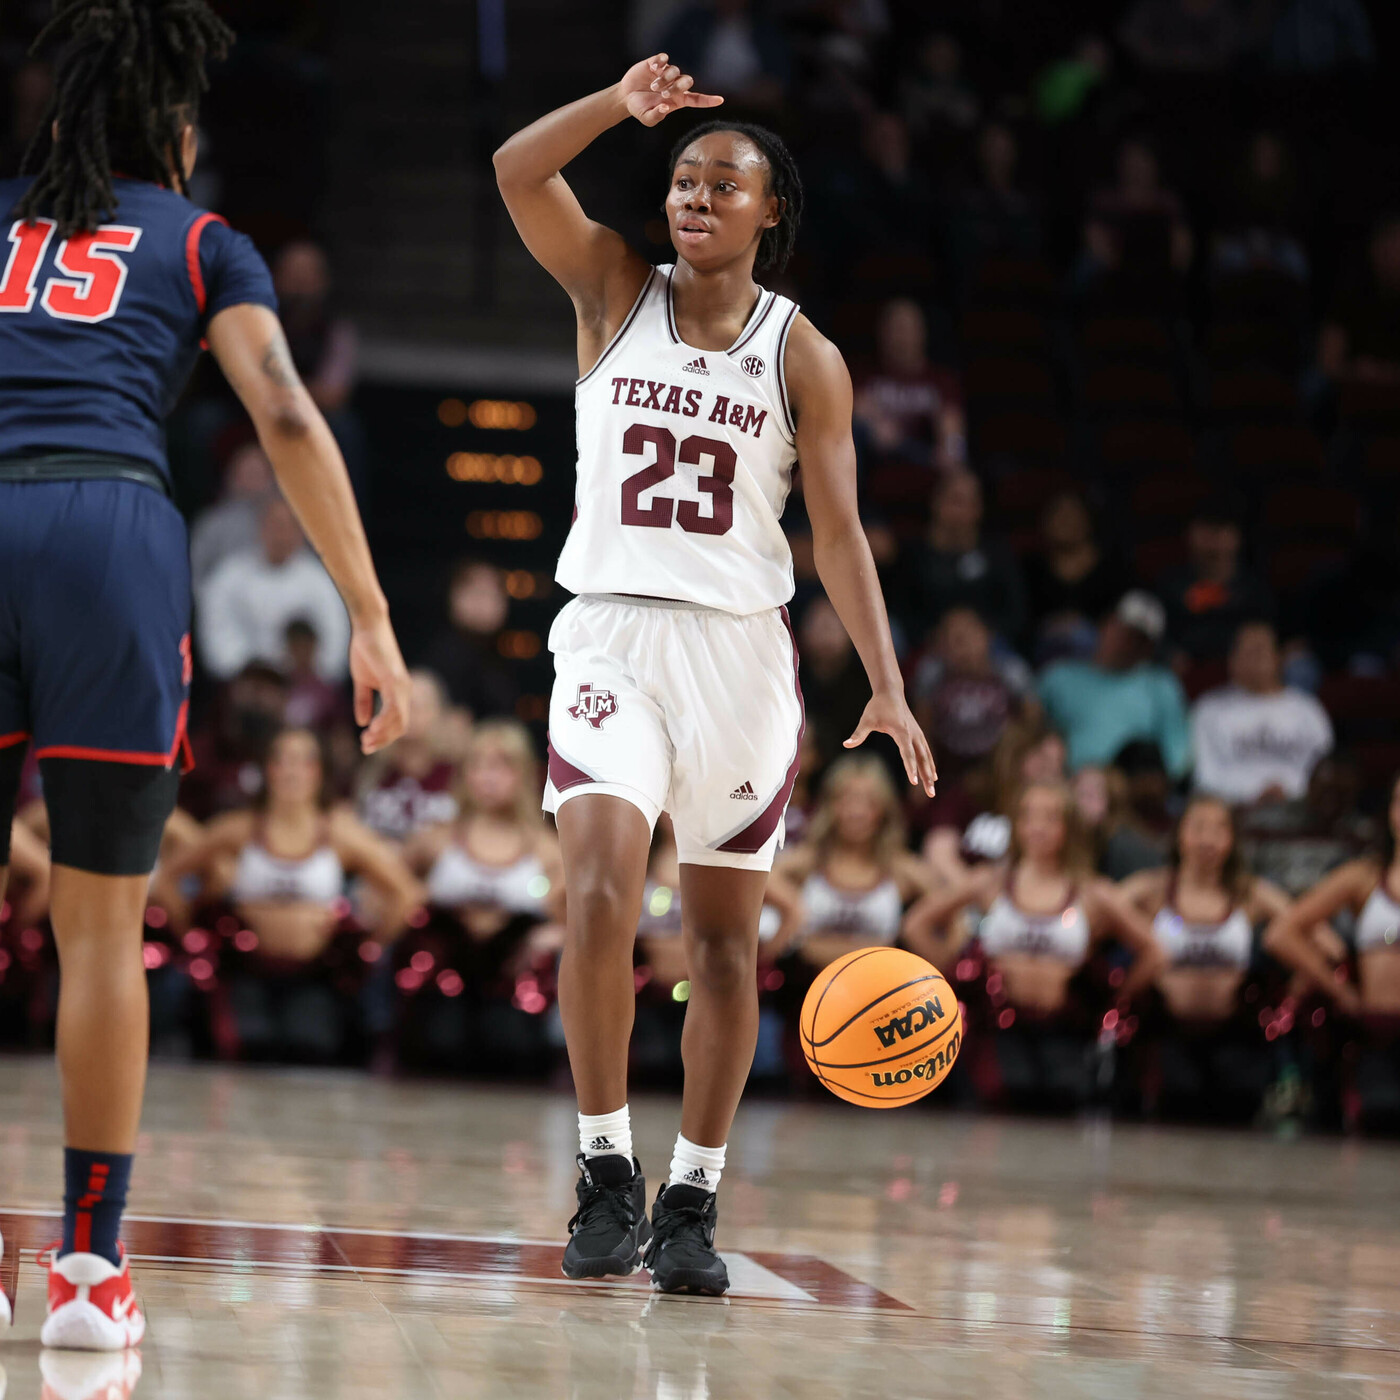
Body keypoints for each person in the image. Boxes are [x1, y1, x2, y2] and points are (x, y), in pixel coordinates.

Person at [0, 2, 409, 1350]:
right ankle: (88, 1276)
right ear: (177, 137)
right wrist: (367, 612)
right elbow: (285, 408)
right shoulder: (202, 240)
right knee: (101, 930)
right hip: (110, 538)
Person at [494, 53, 935, 1295]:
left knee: (723, 945)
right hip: (611, 637)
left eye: (721, 182)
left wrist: (887, 683)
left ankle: (690, 1195)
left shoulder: (807, 356)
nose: (693, 195)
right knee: (593, 894)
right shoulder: (607, 288)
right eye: (682, 177)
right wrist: (615, 109)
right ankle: (602, 1171)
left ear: (768, 210)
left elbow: (837, 534)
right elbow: (514, 170)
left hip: (741, 653)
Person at [150, 728, 423, 1061]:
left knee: (310, 1049)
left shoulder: (339, 832)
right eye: (281, 760)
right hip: (246, 975)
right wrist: (192, 936)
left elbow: (404, 892)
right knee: (244, 1049)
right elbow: (167, 879)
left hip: (316, 979)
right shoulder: (239, 827)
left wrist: (368, 947)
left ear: (319, 772)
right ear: (267, 770)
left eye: (303, 761)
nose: (292, 771)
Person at [905, 781, 1164, 1109]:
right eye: (1029, 816)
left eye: (1051, 818)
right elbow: (916, 925)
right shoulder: (991, 881)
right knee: (1002, 1093)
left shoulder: (1092, 892)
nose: (1038, 826)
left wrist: (1116, 999)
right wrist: (954, 975)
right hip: (998, 1034)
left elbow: (1155, 951)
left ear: (1069, 827)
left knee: (1062, 1101)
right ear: (1016, 825)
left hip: (1065, 1033)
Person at [1118, 796, 1325, 1118]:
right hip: (1167, 1034)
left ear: (1233, 840)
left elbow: (1324, 940)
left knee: (1236, 1112)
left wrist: (1293, 996)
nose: (1207, 839)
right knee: (1174, 1108)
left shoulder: (1252, 893)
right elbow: (1091, 916)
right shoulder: (1150, 889)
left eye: (1219, 829)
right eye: (1198, 827)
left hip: (1236, 1037)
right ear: (1178, 834)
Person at [1265, 774, 1400, 1128]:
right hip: (1377, 1037)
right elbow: (1282, 933)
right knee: (1380, 1116)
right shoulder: (1364, 876)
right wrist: (1338, 988)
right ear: (1389, 812)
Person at [775, 756, 937, 977]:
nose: (856, 812)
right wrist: (789, 921)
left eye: (869, 802)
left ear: (884, 809)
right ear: (830, 806)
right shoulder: (807, 861)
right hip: (805, 991)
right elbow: (755, 883)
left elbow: (953, 909)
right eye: (846, 800)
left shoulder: (900, 868)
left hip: (881, 996)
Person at [196, 495, 352, 682]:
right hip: (245, 684)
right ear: (261, 526)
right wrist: (253, 671)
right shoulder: (229, 576)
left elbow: (335, 640)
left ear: (301, 532)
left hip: (306, 686)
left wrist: (306, 673)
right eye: (276, 525)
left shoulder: (321, 581)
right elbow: (216, 633)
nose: (281, 534)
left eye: (289, 526)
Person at [1038, 592, 1192, 781]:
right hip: (1064, 784)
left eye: (1140, 639)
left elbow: (1177, 753)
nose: (1129, 644)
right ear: (1106, 624)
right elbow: (1032, 734)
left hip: (1130, 793)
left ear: (1150, 647)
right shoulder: (1059, 677)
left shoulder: (1162, 686)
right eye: (1124, 632)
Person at [1191, 621, 1333, 806]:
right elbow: (1205, 775)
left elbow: (1325, 769)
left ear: (1278, 657)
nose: (1256, 658)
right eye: (1248, 651)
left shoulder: (1308, 708)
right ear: (1232, 660)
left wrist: (1287, 791)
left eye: (1261, 649)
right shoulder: (1209, 709)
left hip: (1299, 809)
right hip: (1235, 811)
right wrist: (1255, 793)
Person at [908, 606, 1036, 787]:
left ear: (987, 635)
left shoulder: (1011, 671)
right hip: (947, 770)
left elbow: (1033, 722)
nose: (960, 643)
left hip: (1000, 768)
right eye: (951, 637)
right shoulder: (932, 672)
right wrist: (922, 773)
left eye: (967, 634)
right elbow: (920, 729)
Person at [897, 470, 1026, 644]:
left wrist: (982, 633)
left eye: (970, 503)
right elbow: (902, 613)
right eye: (956, 501)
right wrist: (937, 635)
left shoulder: (997, 553)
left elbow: (1016, 613)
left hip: (989, 648)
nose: (962, 510)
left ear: (979, 509)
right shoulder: (914, 555)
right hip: (929, 649)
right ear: (936, 501)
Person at [1158, 500, 1273, 666]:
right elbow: (1156, 634)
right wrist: (1168, 653)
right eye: (1205, 532)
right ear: (1190, 535)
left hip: (1244, 674)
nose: (1213, 542)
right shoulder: (1171, 584)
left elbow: (1265, 634)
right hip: (1181, 673)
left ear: (1237, 537)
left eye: (1220, 531)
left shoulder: (1255, 588)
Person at [1021, 493, 1129, 665]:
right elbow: (1023, 620)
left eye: (1072, 516)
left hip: (1098, 650)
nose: (1065, 522)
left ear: (1088, 521)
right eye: (1059, 516)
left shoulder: (1112, 568)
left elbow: (1124, 614)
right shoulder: (1031, 568)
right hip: (1045, 649)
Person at [420, 558, 521, 719]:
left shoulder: (499, 656)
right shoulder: (442, 657)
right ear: (453, 596)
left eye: (494, 594)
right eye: (478, 593)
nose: (487, 603)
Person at [187, 441, 275, 587]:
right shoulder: (211, 523)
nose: (252, 481)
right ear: (233, 477)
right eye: (248, 473)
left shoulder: (285, 522)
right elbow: (195, 572)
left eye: (258, 473)